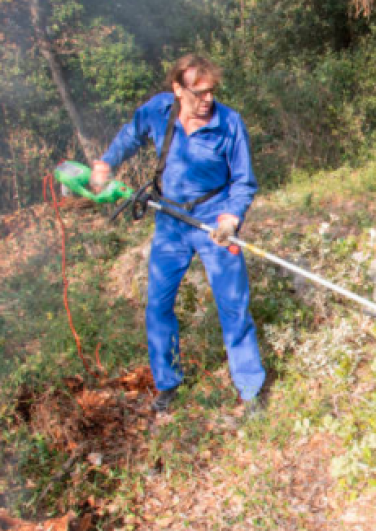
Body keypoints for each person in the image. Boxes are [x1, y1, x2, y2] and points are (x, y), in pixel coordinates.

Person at [91, 54, 266, 417]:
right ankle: (169, 382)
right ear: (177, 90)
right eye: (199, 93)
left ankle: (250, 389)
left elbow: (244, 181)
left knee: (233, 305)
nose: (208, 100)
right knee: (157, 304)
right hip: (169, 220)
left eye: (212, 92)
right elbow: (131, 134)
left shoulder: (229, 123)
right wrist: (107, 162)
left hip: (213, 219)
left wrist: (231, 220)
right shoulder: (159, 110)